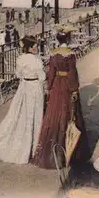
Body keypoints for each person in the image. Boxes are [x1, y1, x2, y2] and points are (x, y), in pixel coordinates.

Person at [31, 27, 90, 169]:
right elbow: (72, 73)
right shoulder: (70, 54)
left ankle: (53, 150)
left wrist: (49, 86)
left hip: (57, 84)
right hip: (66, 86)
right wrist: (74, 89)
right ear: (68, 39)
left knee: (54, 114)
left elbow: (51, 72)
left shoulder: (53, 54)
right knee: (69, 114)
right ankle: (69, 150)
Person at [0, 35, 45, 164]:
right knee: (35, 115)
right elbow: (42, 77)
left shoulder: (21, 59)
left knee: (23, 115)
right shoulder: (37, 60)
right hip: (34, 88)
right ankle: (32, 147)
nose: (36, 48)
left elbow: (18, 74)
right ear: (30, 47)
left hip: (24, 87)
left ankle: (23, 144)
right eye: (35, 46)